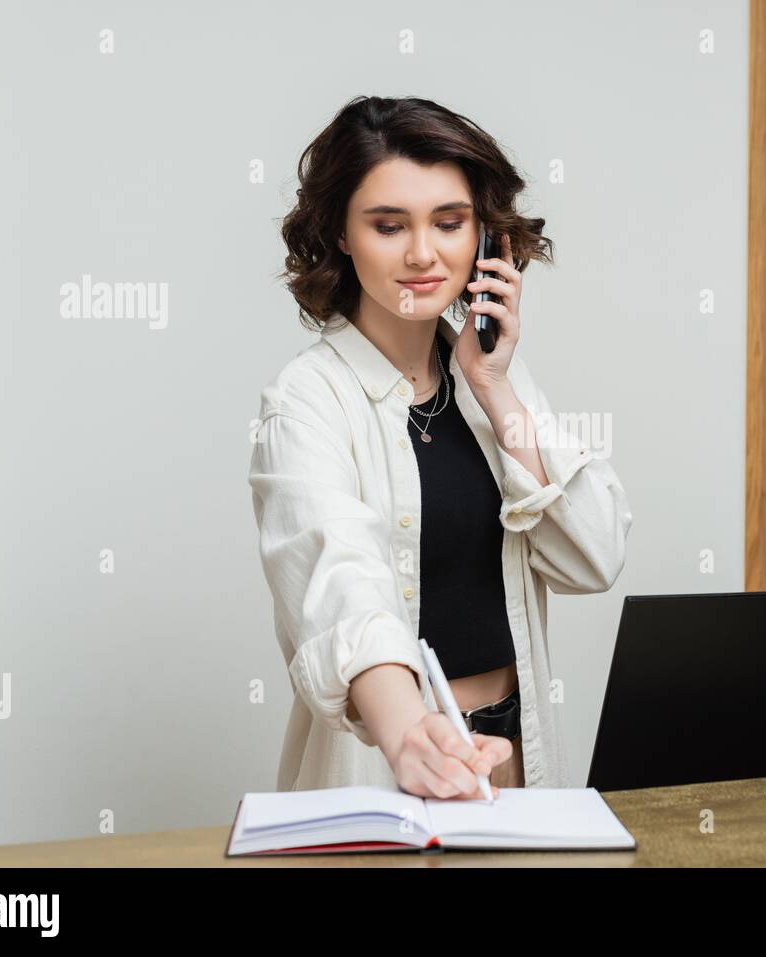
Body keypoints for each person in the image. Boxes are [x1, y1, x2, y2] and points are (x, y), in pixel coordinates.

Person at [248, 95, 632, 800]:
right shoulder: (305, 401)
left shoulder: (493, 384)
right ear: (340, 233)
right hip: (393, 763)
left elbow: (595, 553)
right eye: (389, 226)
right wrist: (407, 734)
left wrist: (495, 387)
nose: (423, 253)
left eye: (450, 224)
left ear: (486, 239)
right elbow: (342, 584)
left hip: (513, 753)